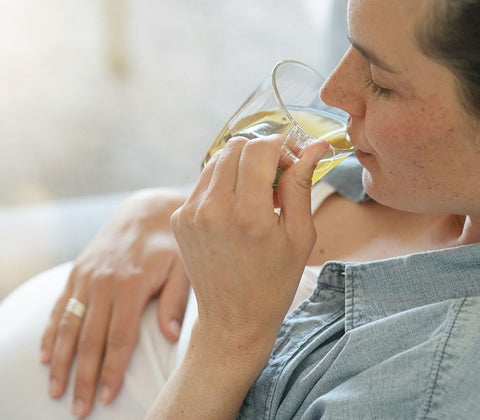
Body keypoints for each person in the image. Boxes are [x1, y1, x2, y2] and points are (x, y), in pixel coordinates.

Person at [1, 0, 480, 418]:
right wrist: (162, 210)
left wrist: (228, 337)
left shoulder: (430, 391)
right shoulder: (418, 170)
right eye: (352, 45)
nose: (332, 92)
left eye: (379, 80)